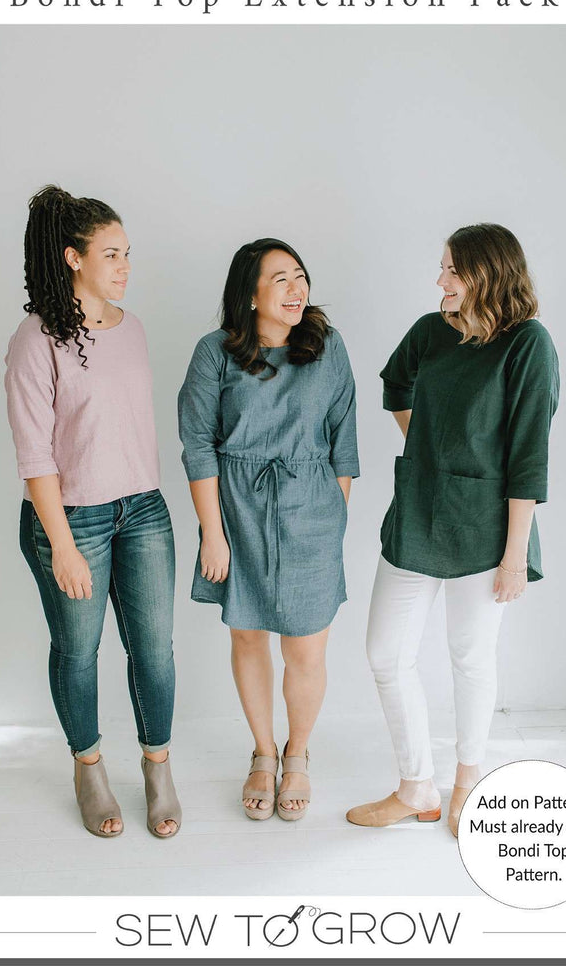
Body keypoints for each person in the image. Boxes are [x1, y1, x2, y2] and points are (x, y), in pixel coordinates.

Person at [346, 223, 559, 837]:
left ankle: (468, 781)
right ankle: (417, 786)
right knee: (386, 654)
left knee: (470, 657)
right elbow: (395, 383)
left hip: (486, 527)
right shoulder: (431, 330)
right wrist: (425, 444)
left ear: (485, 274)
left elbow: (529, 455)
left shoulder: (528, 344)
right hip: (418, 512)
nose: (439, 279)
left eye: (452, 270)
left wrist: (515, 555)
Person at [4, 185, 180, 840]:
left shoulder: (132, 329)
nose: (125, 266)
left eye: (127, 253)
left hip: (144, 510)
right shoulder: (35, 341)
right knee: (79, 651)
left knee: (154, 652)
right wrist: (63, 546)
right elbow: (35, 457)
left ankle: (158, 769)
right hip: (71, 518)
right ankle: (89, 769)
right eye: (111, 254)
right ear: (73, 258)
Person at [178, 238, 359, 821]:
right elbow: (198, 447)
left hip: (312, 512)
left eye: (300, 275)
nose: (296, 288)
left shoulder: (328, 347)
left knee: (305, 646)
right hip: (239, 512)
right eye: (281, 279)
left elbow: (344, 441)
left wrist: (333, 518)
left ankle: (297, 754)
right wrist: (213, 533)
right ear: (250, 294)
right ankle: (262, 752)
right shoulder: (214, 353)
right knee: (248, 636)